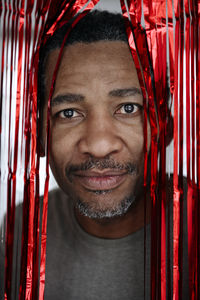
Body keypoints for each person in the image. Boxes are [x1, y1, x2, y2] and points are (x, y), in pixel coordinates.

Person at [0, 10, 189, 299]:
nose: (99, 146)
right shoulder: (21, 229)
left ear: (164, 126)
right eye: (69, 113)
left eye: (128, 108)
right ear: (38, 134)